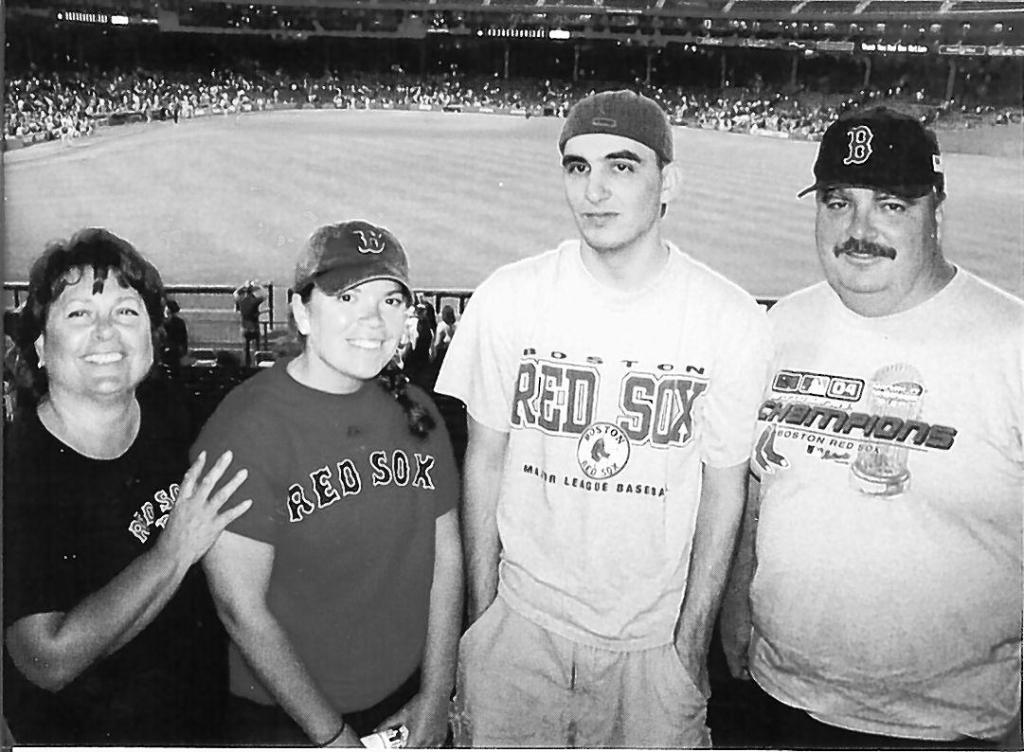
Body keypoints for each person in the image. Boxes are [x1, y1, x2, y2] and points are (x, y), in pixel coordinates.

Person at [434, 90, 772, 747]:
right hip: (518, 632)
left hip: (652, 648)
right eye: (577, 167)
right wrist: (483, 622)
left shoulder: (728, 318)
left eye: (622, 166)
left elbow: (725, 492)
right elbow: (485, 459)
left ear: (668, 182)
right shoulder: (509, 298)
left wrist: (688, 648)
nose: (594, 191)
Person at [720, 107, 1024, 748]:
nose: (858, 230)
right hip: (778, 698)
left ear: (936, 211)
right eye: (838, 202)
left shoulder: (1012, 344)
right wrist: (736, 609)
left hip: (948, 724)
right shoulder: (782, 328)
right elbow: (757, 492)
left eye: (890, 205)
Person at [195, 220, 463, 747]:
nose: (373, 319)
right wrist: (332, 736)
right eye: (347, 296)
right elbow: (240, 610)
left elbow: (446, 558)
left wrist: (437, 692)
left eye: (390, 300)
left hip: (404, 697)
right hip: (287, 717)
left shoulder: (416, 409)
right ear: (302, 312)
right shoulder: (246, 427)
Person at [2, 228, 251, 745]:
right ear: (41, 347)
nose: (106, 333)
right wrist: (174, 552)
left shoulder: (175, 417)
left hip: (202, 725)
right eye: (78, 314)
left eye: (126, 311)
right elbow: (46, 657)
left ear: (152, 336)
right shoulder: (18, 471)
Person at [233, 279, 265, 366]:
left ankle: (247, 366)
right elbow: (265, 295)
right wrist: (258, 286)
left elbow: (235, 293)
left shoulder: (241, 301)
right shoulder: (254, 301)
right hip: (254, 327)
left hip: (245, 328)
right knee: (257, 349)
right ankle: (258, 364)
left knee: (246, 350)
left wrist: (243, 287)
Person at [161, 298, 189, 374]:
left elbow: (182, 341)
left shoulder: (178, 323)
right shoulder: (159, 324)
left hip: (174, 354)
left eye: (168, 313)